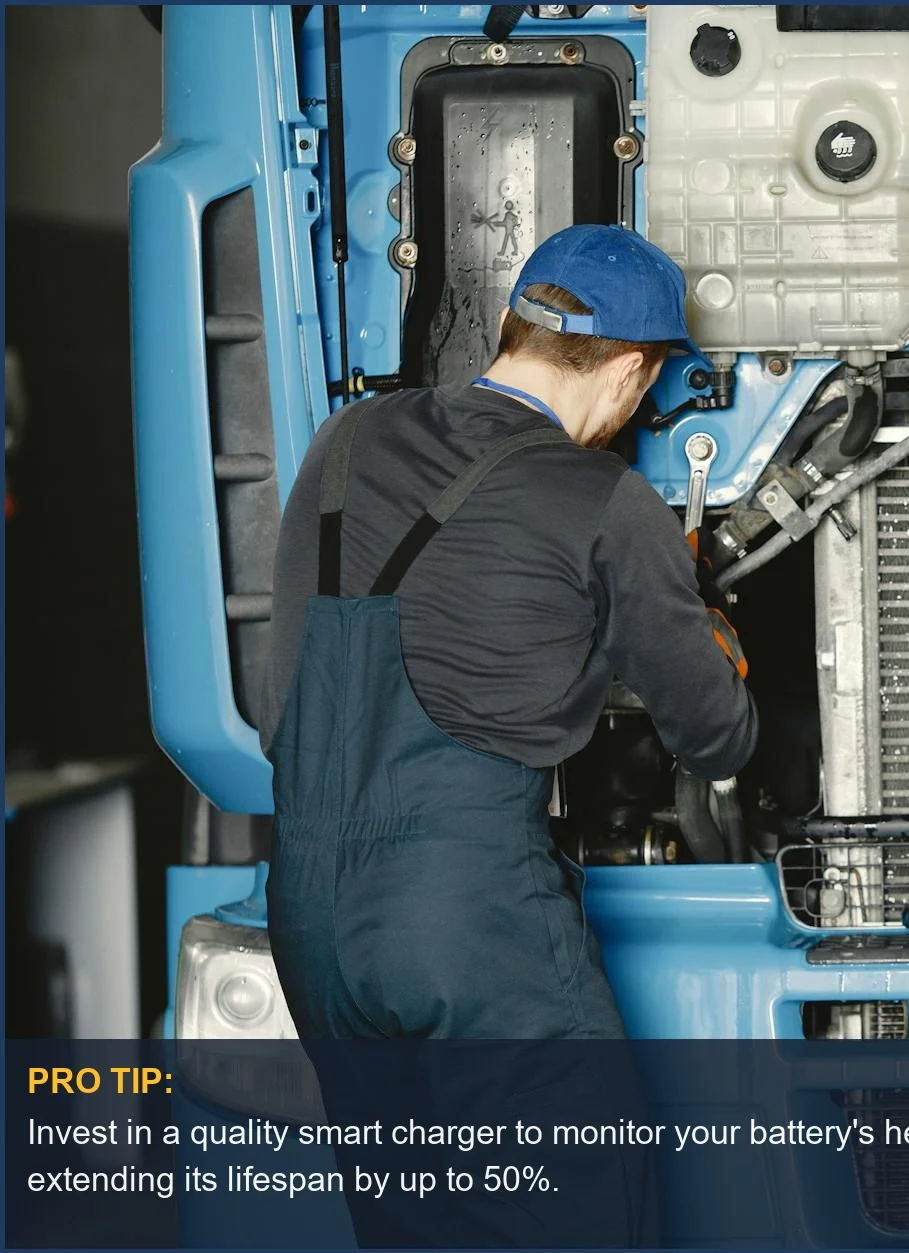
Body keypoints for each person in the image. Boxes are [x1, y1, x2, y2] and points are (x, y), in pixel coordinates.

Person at [259, 224, 758, 1042]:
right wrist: (699, 627)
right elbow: (717, 740)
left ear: (507, 325)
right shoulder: (604, 497)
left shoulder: (343, 439)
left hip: (309, 916)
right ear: (630, 371)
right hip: (464, 915)